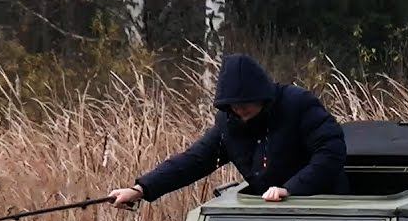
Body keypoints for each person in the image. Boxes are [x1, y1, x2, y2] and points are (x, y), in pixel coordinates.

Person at [108, 54, 348, 206]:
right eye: (233, 105)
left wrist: (290, 189)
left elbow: (331, 152)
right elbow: (194, 161)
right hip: (271, 220)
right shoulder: (229, 124)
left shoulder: (297, 104)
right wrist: (141, 189)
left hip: (323, 209)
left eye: (245, 103)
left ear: (263, 96)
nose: (239, 109)